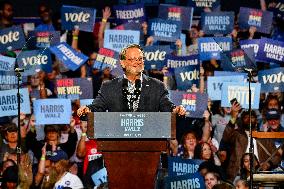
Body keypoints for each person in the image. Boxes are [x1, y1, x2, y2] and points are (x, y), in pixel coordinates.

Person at [77, 44, 186, 115]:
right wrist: (87, 110)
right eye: (132, 59)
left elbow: (166, 105)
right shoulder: (109, 87)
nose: (137, 62)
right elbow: (97, 107)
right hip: (118, 143)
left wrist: (175, 110)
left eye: (140, 59)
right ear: (123, 63)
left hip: (148, 143)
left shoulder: (157, 86)